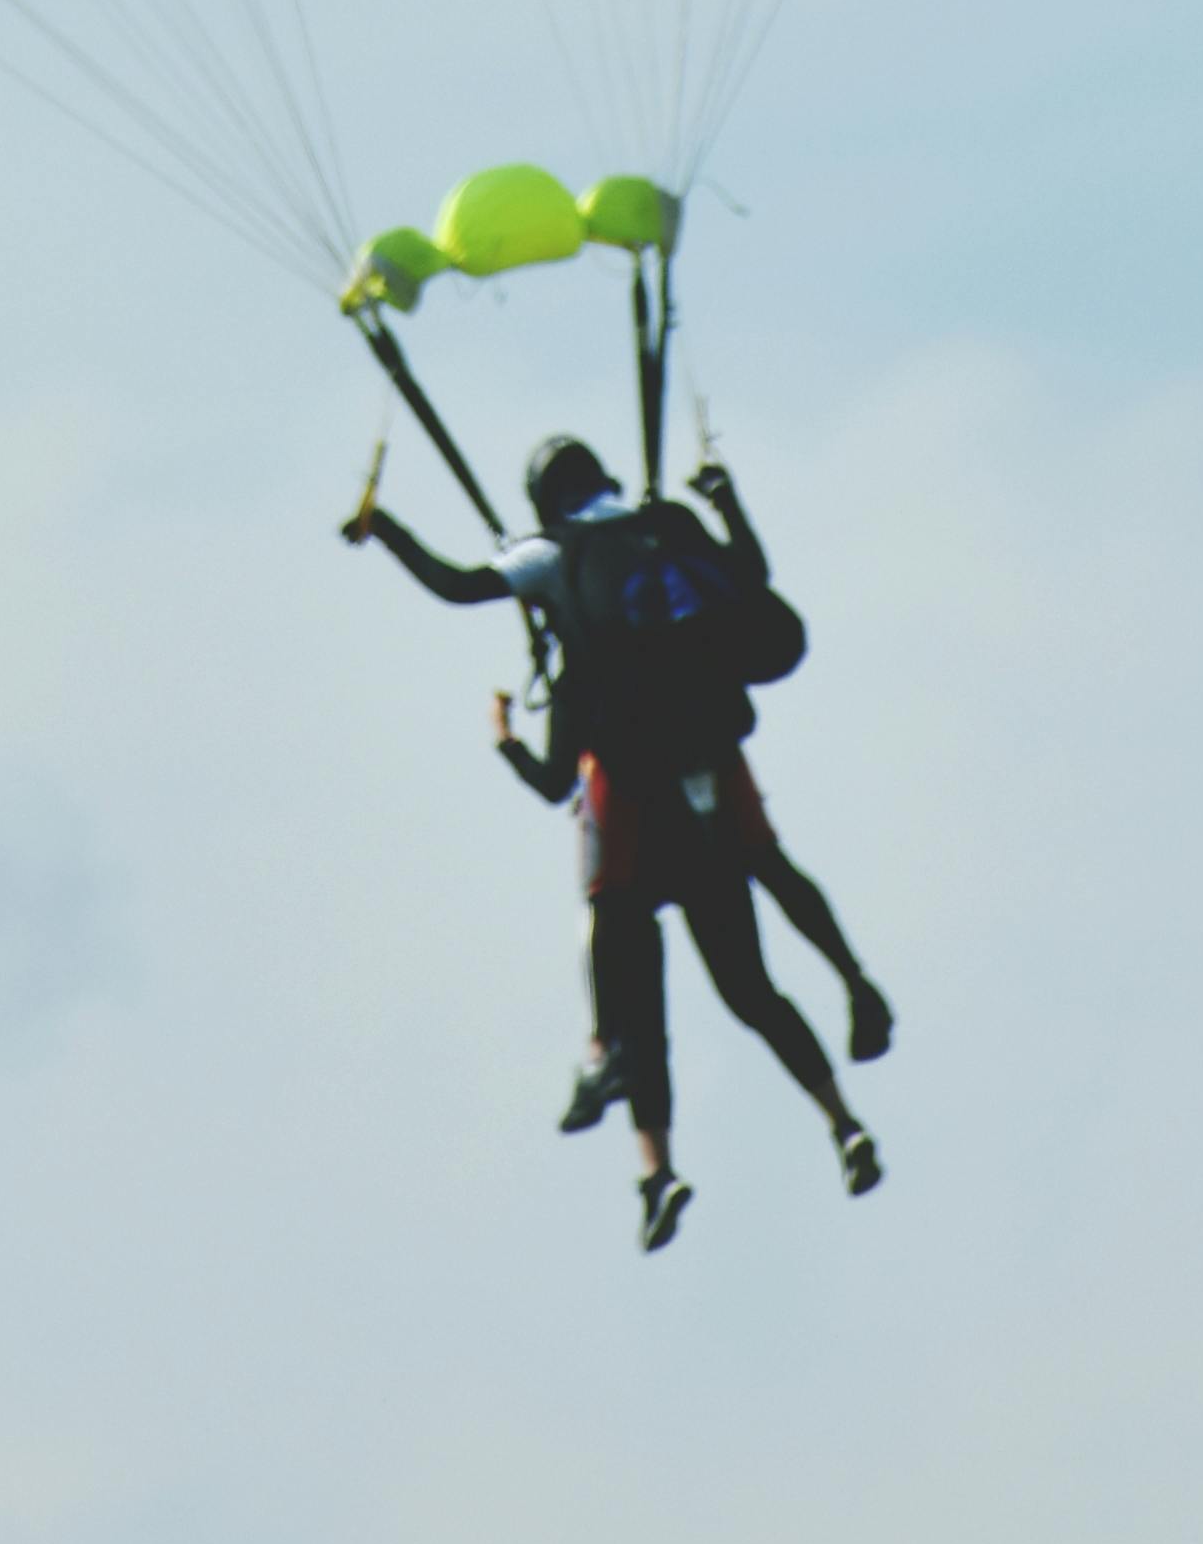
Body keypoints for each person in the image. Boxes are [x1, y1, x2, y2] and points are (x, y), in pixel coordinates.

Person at [350, 431, 887, 1245]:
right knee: (750, 985)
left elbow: (457, 587)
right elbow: (755, 581)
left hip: (632, 802)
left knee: (641, 1009)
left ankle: (655, 1166)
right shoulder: (664, 525)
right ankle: (843, 1113)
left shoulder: (550, 554)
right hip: (705, 772)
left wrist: (380, 527)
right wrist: (726, 499)